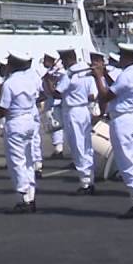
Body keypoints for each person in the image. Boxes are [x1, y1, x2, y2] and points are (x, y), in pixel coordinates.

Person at [96, 43, 133, 218]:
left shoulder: (126, 76)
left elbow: (106, 95)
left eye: (121, 56)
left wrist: (98, 77)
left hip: (122, 121)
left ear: (127, 57)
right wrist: (105, 74)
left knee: (126, 161)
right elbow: (117, 89)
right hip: (132, 118)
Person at [0, 52, 41, 213]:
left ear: (11, 65)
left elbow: (4, 108)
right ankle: (31, 197)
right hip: (29, 121)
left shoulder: (9, 83)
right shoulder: (30, 81)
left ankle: (23, 199)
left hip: (15, 122)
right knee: (29, 160)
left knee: (17, 162)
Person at [54, 49, 97, 194]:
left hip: (72, 111)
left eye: (63, 60)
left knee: (78, 146)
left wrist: (49, 81)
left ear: (67, 59)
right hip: (84, 110)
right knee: (86, 145)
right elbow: (92, 95)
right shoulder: (86, 72)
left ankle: (85, 183)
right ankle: (89, 178)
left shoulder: (69, 74)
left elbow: (57, 93)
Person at [40, 51, 66, 159]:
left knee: (55, 125)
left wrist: (50, 80)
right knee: (52, 125)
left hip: (56, 102)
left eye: (46, 59)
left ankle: (59, 149)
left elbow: (56, 89)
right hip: (50, 100)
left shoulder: (60, 72)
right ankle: (57, 147)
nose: (44, 61)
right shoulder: (51, 71)